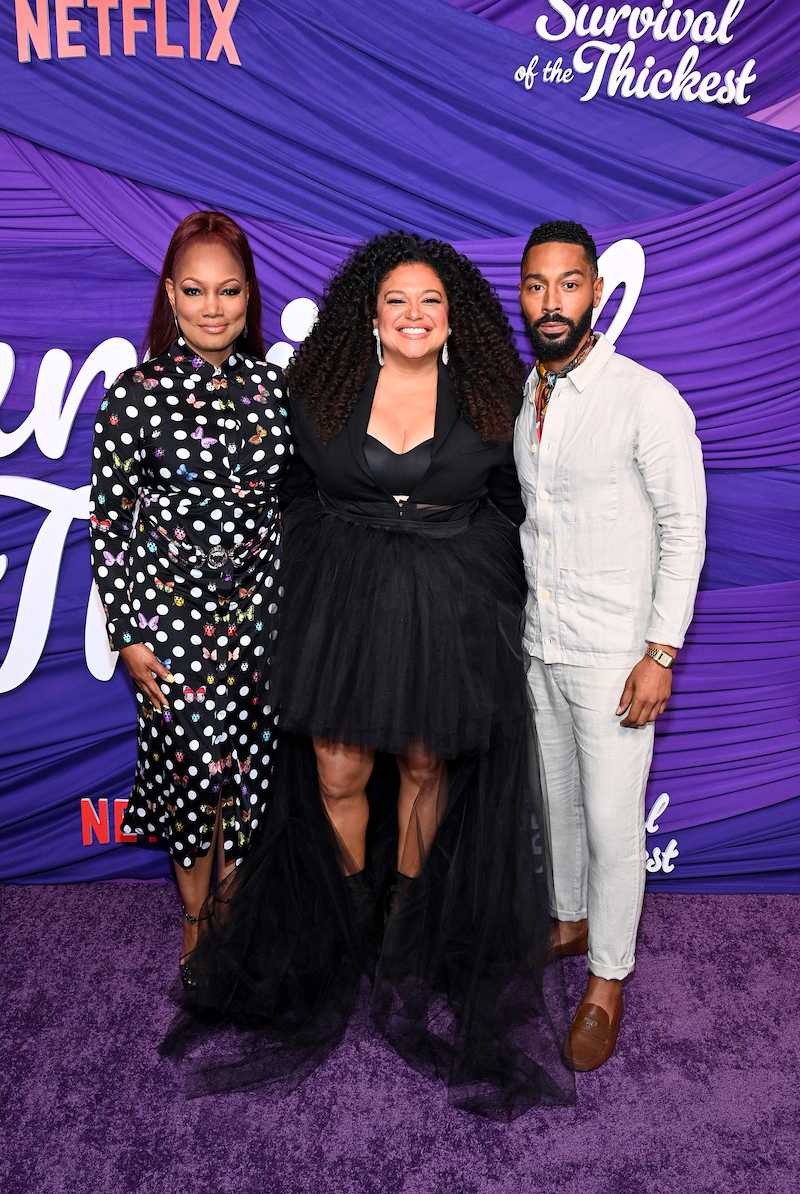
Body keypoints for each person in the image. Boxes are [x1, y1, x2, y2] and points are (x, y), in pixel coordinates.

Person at [170, 231, 574, 1119]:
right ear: (371, 312)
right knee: (339, 770)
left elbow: (514, 502)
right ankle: (350, 924)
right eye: (398, 300)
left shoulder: (493, 392)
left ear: (455, 315)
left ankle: (405, 934)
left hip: (449, 600)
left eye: (431, 301)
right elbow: (283, 492)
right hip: (345, 598)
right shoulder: (319, 387)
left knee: (429, 766)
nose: (415, 315)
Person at [514, 220, 706, 1071]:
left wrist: (660, 652)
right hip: (542, 643)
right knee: (555, 804)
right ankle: (569, 918)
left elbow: (684, 528)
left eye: (568, 283)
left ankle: (608, 980)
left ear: (595, 291)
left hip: (615, 655)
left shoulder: (644, 397)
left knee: (612, 821)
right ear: (523, 296)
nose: (552, 301)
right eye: (536, 285)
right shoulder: (530, 394)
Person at [89, 211, 292, 984]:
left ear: (249, 298)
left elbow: (295, 507)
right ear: (170, 296)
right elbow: (108, 521)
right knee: (189, 774)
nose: (214, 308)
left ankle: (234, 911)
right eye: (197, 291)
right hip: (168, 627)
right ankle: (193, 918)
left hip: (260, 622)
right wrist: (128, 634)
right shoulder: (133, 394)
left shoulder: (278, 389)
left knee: (248, 771)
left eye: (229, 291)